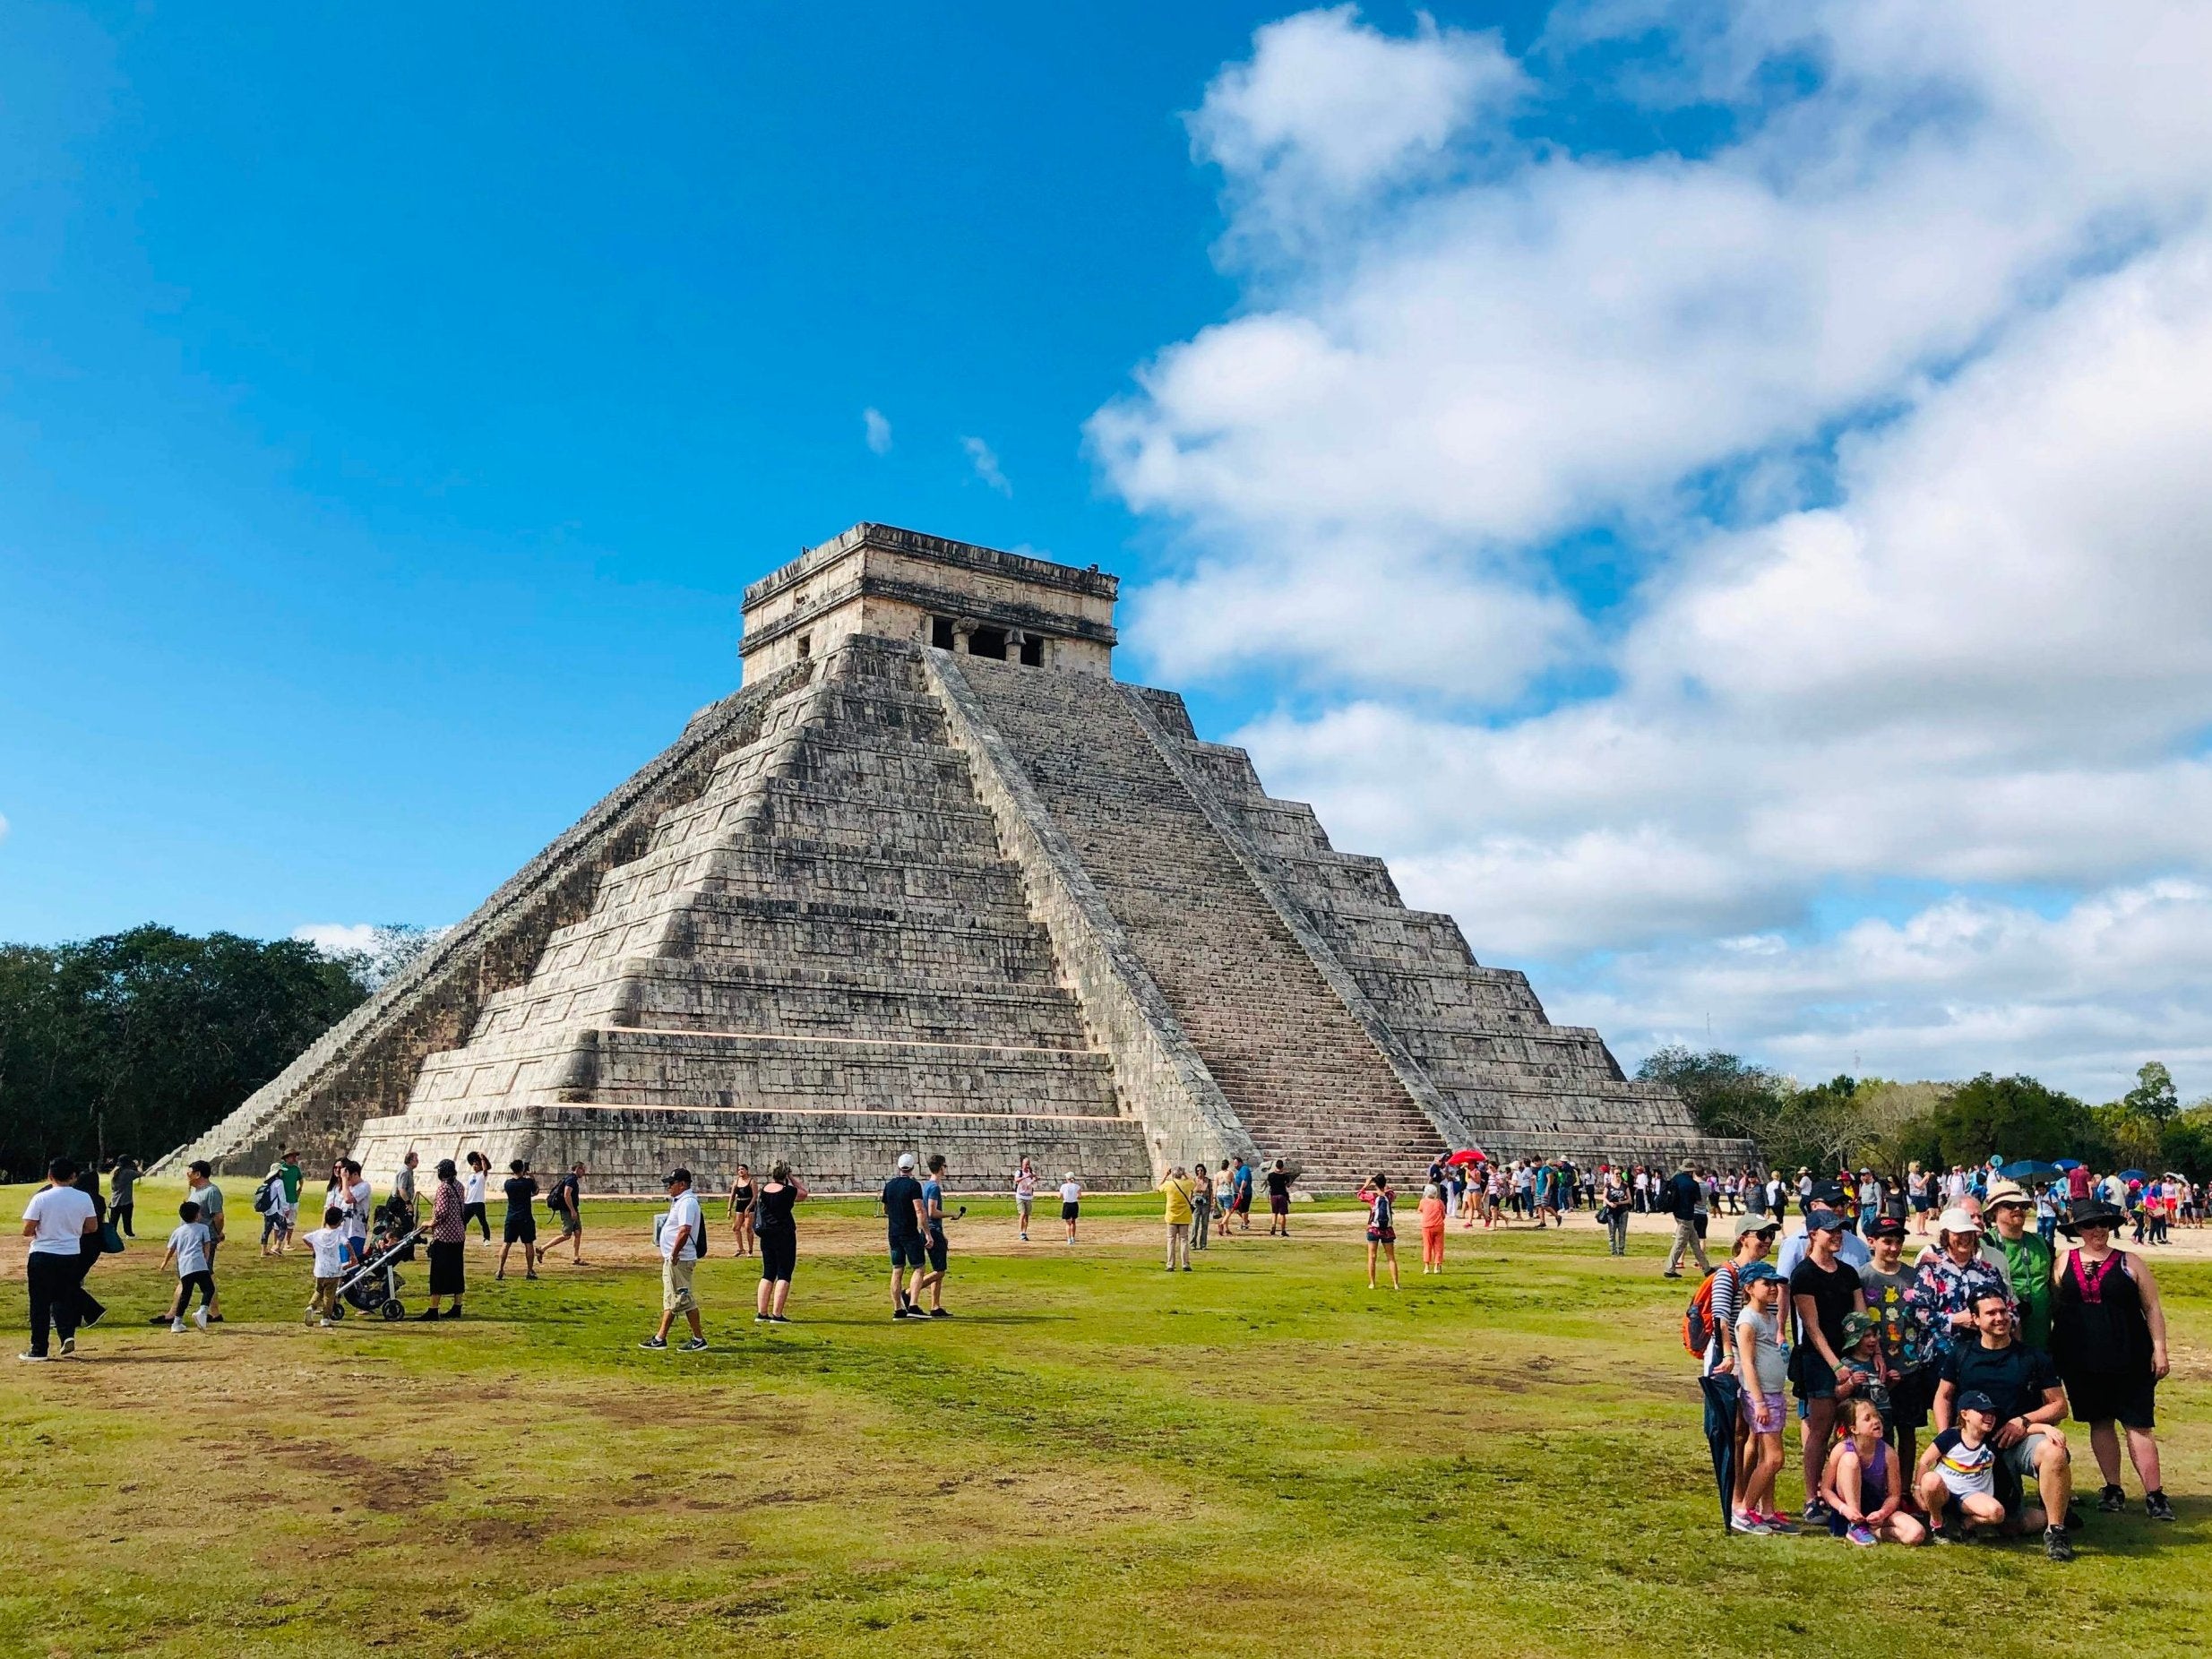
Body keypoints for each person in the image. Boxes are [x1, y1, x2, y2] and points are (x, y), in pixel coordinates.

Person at [2051, 1197, 2173, 1521]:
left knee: (2139, 1424)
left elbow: (2152, 1308)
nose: (2097, 1230)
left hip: (2129, 1355)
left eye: (2103, 1223)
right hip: (2082, 1359)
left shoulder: (2129, 1261)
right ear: (2078, 1229)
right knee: (2099, 1421)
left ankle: (2154, 1493)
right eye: (2090, 1224)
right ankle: (2113, 1487)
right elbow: (2058, 1307)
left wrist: (2159, 1348)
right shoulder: (2064, 1261)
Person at [1932, 1290, 2074, 1560]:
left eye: (2003, 1311)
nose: (2000, 1318)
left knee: (2054, 1451)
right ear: (1974, 1319)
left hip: (2020, 1440)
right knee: (2008, 1526)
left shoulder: (2032, 1357)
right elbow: (1943, 1396)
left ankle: (2056, 1530)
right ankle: (2047, 1510)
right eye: (1991, 1313)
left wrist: (2024, 1421)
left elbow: (2059, 1405)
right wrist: (1945, 1438)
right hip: (1977, 1449)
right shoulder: (1961, 1355)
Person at [1788, 1208, 1866, 1526]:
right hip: (1819, 1361)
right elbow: (1811, 1326)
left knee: (1853, 1427)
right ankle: (1811, 1497)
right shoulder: (1804, 1274)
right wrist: (1837, 1366)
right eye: (1830, 1231)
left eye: (1840, 1231)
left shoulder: (1848, 1273)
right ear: (1813, 1235)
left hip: (1849, 1355)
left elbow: (1861, 1318)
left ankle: (1843, 1492)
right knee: (1820, 1429)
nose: (1837, 1236)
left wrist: (1865, 1350)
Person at [1860, 1216, 1938, 1472]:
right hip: (1874, 1369)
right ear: (1872, 1242)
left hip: (1908, 1366)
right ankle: (1878, 1485)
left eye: (1898, 1242)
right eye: (1887, 1242)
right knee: (1876, 1430)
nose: (1894, 1248)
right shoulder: (1862, 1277)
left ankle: (1903, 1489)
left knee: (1907, 1431)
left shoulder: (1912, 1276)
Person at [20, 1157, 99, 1361]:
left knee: (39, 1303)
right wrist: (73, 1230)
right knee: (64, 1297)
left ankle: (39, 1348)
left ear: (50, 1175)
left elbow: (28, 1230)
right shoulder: (84, 1198)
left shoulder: (41, 1198)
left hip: (42, 1254)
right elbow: (92, 1227)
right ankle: (67, 1335)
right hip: (70, 1254)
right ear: (74, 1177)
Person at [1731, 1261, 1790, 1533]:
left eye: (1774, 1283)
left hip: (1774, 1392)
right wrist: (1759, 1402)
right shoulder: (1748, 1320)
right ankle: (1744, 1510)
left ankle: (1766, 1511)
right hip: (1762, 1396)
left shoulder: (1769, 1316)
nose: (1773, 1288)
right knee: (1775, 1459)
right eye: (1766, 1283)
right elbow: (1748, 1363)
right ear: (1749, 1288)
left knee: (1770, 1456)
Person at [1822, 1397, 1924, 1546]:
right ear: (1854, 1429)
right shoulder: (1842, 1449)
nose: (1876, 1421)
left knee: (1916, 1533)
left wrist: (1882, 1513)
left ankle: (1872, 1532)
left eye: (1877, 1416)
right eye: (1867, 1419)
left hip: (1876, 1510)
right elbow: (1826, 1489)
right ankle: (1855, 1526)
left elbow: (1894, 1495)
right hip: (1848, 1512)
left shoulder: (1889, 1454)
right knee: (1850, 1460)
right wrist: (1845, 1510)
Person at [1916, 1390, 2008, 1542]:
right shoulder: (1950, 1436)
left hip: (1971, 1496)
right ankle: (1937, 1523)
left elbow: (2023, 1430)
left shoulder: (1994, 1439)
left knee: (1997, 1513)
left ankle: (1966, 1525)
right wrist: (1918, 1489)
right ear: (1965, 1415)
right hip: (1944, 1491)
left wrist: (2046, 1429)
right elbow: (1925, 1461)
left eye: (1992, 1413)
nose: (1989, 1416)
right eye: (1982, 1412)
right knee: (1930, 1480)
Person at [641, 1169, 707, 1351]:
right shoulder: (679, 1201)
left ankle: (695, 1338)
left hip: (681, 1258)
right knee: (674, 1297)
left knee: (681, 1298)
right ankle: (661, 1337)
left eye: (672, 1183)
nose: (668, 1187)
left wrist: (675, 1253)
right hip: (676, 1257)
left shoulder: (687, 1203)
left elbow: (684, 1230)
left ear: (682, 1184)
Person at [1984, 1181, 2053, 1351]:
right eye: (2009, 1205)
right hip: (2002, 1332)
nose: (2017, 1210)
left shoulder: (2042, 1242)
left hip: (2040, 1332)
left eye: (2021, 1205)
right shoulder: (1985, 1244)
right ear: (1994, 1211)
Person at [753, 1161, 806, 1323]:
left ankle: (762, 1313)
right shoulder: (787, 1191)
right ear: (784, 1175)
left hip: (766, 1235)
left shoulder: (764, 1190)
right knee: (784, 1273)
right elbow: (803, 1194)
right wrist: (791, 1177)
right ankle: (777, 1314)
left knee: (768, 1273)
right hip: (783, 1235)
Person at [418, 1158, 468, 1320]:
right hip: (459, 1234)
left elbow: (441, 1212)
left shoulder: (443, 1188)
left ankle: (433, 1308)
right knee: (456, 1270)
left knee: (438, 1272)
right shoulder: (459, 1186)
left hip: (444, 1236)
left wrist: (429, 1223)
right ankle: (457, 1306)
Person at [882, 1153, 929, 1319]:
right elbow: (919, 1209)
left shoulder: (889, 1185)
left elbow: (885, 1209)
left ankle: (898, 1309)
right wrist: (926, 1232)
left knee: (897, 1269)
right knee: (919, 1267)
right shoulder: (913, 1186)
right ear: (912, 1168)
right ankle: (913, 1305)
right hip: (909, 1232)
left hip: (893, 1233)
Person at [160, 1200, 218, 1333]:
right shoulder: (203, 1228)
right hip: (199, 1263)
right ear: (197, 1215)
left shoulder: (178, 1231)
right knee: (209, 1288)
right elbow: (207, 1246)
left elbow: (171, 1249)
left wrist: (164, 1263)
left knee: (186, 1294)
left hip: (184, 1266)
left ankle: (177, 1323)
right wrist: (206, 1259)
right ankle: (202, 1311)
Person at [70, 1166, 108, 1329]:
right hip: (94, 1246)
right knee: (73, 1281)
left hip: (81, 1243)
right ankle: (77, 1316)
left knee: (66, 1282)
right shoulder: (99, 1199)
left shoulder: (81, 1198)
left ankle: (93, 1309)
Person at [917, 1154, 954, 1314]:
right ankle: (909, 1292)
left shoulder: (927, 1186)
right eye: (944, 1166)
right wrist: (950, 1214)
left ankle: (935, 1305)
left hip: (933, 1230)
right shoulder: (934, 1187)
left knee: (939, 1268)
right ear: (940, 1168)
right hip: (933, 1230)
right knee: (940, 1271)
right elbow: (932, 1212)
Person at [1661, 1161, 1708, 1278]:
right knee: (1679, 1243)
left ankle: (1706, 1267)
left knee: (1695, 1243)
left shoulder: (1676, 1179)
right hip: (1687, 1215)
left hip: (1677, 1213)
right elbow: (1698, 1201)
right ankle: (1669, 1269)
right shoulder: (1693, 1184)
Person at [302, 1204, 348, 1326]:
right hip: (333, 1270)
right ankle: (325, 1318)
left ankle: (311, 1307)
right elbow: (347, 1244)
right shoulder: (338, 1233)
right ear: (339, 1222)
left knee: (319, 1291)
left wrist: (315, 1248)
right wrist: (353, 1257)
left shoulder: (318, 1233)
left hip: (320, 1270)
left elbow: (305, 1238)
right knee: (329, 1295)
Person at [497, 1159, 540, 1281]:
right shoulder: (527, 1183)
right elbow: (536, 1191)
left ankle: (500, 1269)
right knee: (529, 1243)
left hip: (511, 1217)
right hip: (525, 1217)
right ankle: (529, 1270)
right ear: (522, 1169)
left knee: (506, 1243)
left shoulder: (508, 1184)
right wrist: (532, 1178)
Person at [1357, 1173, 1399, 1290]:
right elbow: (1391, 1191)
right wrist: (1383, 1184)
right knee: (1391, 1257)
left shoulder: (1372, 1197)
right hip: (1387, 1230)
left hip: (1374, 1228)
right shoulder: (1389, 1196)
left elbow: (1360, 1195)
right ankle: (1395, 1283)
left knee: (1372, 1256)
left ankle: (1372, 1283)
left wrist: (1366, 1184)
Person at [543, 1163, 587, 1265]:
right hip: (568, 1211)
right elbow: (567, 1195)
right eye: (583, 1170)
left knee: (578, 1231)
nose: (584, 1172)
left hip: (573, 1209)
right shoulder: (571, 1180)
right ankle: (543, 1248)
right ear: (578, 1169)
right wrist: (572, 1210)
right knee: (566, 1235)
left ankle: (576, 1257)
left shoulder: (572, 1179)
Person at [1161, 1164, 1197, 1272]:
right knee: (1184, 1240)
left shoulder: (1169, 1184)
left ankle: (1170, 1264)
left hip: (1171, 1216)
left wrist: (1165, 1175)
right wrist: (1185, 1173)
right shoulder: (1186, 1184)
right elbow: (1194, 1182)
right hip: (1184, 1216)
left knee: (1171, 1240)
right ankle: (1185, 1263)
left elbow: (1159, 1188)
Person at [257, 1164, 291, 1257]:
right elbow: (282, 1197)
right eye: (281, 1171)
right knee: (283, 1227)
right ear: (278, 1172)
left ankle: (263, 1250)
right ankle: (277, 1247)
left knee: (266, 1230)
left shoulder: (267, 1182)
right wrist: (286, 1209)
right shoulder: (279, 1182)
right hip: (276, 1210)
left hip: (267, 1210)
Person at [1598, 1165, 1631, 1256]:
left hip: (1623, 1211)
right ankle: (1613, 1250)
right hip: (1612, 1212)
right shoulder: (1608, 1186)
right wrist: (1610, 1203)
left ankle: (1621, 1250)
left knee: (1622, 1232)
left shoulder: (1624, 1186)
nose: (1618, 1176)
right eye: (1616, 1174)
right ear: (1613, 1174)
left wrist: (1620, 1203)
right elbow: (1604, 1197)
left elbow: (1629, 1199)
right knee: (1612, 1232)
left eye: (1620, 1174)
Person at [727, 1163, 757, 1256]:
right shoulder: (736, 1182)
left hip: (749, 1204)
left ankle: (750, 1250)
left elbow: (755, 1196)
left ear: (747, 1170)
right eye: (739, 1169)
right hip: (739, 1205)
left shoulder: (752, 1181)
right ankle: (740, 1249)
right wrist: (729, 1209)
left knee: (748, 1227)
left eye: (742, 1169)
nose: (741, 1171)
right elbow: (732, 1196)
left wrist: (748, 1208)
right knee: (736, 1228)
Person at [108, 1153, 141, 1238]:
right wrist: (137, 1165)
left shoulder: (114, 1172)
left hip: (115, 1200)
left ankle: (111, 1234)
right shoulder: (127, 1172)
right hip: (126, 1200)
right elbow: (140, 1173)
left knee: (113, 1221)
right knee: (127, 1219)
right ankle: (129, 1233)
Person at [1417, 1182, 1446, 1273]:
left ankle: (1426, 1267)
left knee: (1427, 1246)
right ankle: (1437, 1266)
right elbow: (1443, 1215)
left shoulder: (1423, 1202)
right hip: (1438, 1225)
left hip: (1427, 1227)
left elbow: (1420, 1210)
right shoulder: (1439, 1202)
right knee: (1438, 1246)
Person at [276, 1148, 303, 1244]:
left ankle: (288, 1242)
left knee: (291, 1221)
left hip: (293, 1199)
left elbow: (301, 1179)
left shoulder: (296, 1169)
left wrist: (300, 1189)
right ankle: (276, 1242)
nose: (295, 1158)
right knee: (279, 1222)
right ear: (287, 1158)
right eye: (293, 1156)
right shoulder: (281, 1169)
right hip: (282, 1199)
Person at [461, 1153, 491, 1242]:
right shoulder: (470, 1176)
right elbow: (468, 1189)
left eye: (477, 1165)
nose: (475, 1166)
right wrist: (464, 1200)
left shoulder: (482, 1175)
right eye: (474, 1164)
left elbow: (485, 1169)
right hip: (469, 1202)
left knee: (483, 1222)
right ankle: (460, 1235)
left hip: (478, 1202)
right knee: (463, 1221)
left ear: (480, 1166)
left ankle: (487, 1238)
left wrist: (482, 1159)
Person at [1190, 1161, 1214, 1251]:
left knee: (1205, 1224)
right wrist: (1189, 1203)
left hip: (1205, 1204)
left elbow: (1211, 1192)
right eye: (1198, 1171)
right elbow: (1191, 1192)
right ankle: (1193, 1243)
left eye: (1201, 1170)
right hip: (1196, 1204)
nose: (1200, 1172)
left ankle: (1203, 1244)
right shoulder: (1193, 1180)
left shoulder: (1208, 1181)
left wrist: (1212, 1203)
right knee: (1195, 1224)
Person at [1265, 1160, 1294, 1235]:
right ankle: (1283, 1230)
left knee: (1274, 1212)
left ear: (1276, 1166)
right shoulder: (1285, 1176)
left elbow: (1268, 1184)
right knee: (1282, 1214)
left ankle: (1273, 1227)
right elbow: (1288, 1185)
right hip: (1282, 1195)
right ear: (1282, 1167)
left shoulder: (1271, 1175)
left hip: (1273, 1195)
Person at [1013, 1157, 1037, 1242]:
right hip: (1020, 1196)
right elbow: (1016, 1180)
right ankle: (1021, 1232)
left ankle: (1024, 1232)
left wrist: (1034, 1178)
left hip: (1028, 1196)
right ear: (1022, 1164)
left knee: (1026, 1216)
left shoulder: (1031, 1172)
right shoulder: (1019, 1172)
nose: (1027, 1166)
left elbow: (1035, 1179)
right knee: (1022, 1214)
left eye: (1028, 1164)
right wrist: (1025, 1176)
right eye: (1025, 1164)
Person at [1059, 1172, 1083, 1243]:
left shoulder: (1063, 1186)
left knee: (1067, 1223)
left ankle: (1069, 1239)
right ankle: (1073, 1238)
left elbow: (1059, 1196)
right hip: (1074, 1204)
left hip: (1067, 1204)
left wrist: (1064, 1198)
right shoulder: (1076, 1186)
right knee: (1073, 1222)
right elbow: (1079, 1196)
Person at [1231, 1157, 1254, 1232]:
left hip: (1245, 1193)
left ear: (1241, 1163)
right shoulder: (1239, 1171)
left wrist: (1241, 1189)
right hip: (1238, 1193)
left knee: (1244, 1209)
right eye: (1234, 1164)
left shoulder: (1244, 1169)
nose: (1235, 1165)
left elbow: (1245, 1180)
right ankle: (1245, 1220)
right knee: (1236, 1209)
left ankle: (1245, 1224)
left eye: (1236, 1164)